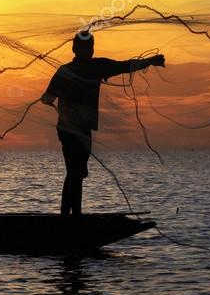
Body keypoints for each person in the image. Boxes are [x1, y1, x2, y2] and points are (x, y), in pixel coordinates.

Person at [40, 32, 165, 215]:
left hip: (70, 128)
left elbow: (47, 97)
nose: (87, 51)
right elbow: (125, 66)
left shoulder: (67, 70)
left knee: (75, 172)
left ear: (75, 49)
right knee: (76, 172)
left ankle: (69, 216)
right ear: (83, 49)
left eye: (88, 48)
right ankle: (71, 218)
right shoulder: (96, 67)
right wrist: (150, 61)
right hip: (74, 129)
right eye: (87, 47)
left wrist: (150, 61)